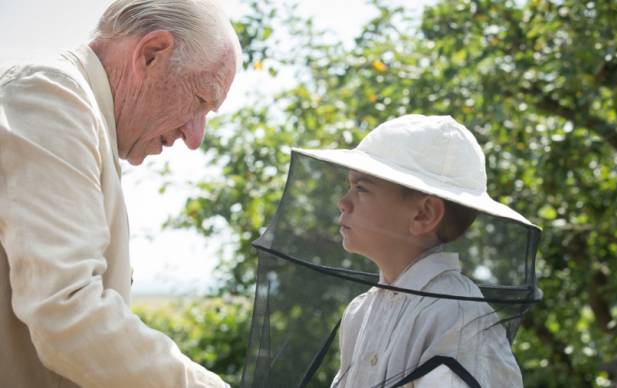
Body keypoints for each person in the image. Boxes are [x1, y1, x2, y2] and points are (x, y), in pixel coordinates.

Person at [0, 1, 242, 387]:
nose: (195, 137)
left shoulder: (77, 112)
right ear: (150, 54)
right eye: (200, 101)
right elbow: (65, 310)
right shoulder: (50, 96)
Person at [294, 115, 530, 387]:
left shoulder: (455, 316)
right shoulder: (360, 311)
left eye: (361, 187)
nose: (343, 202)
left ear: (423, 214)